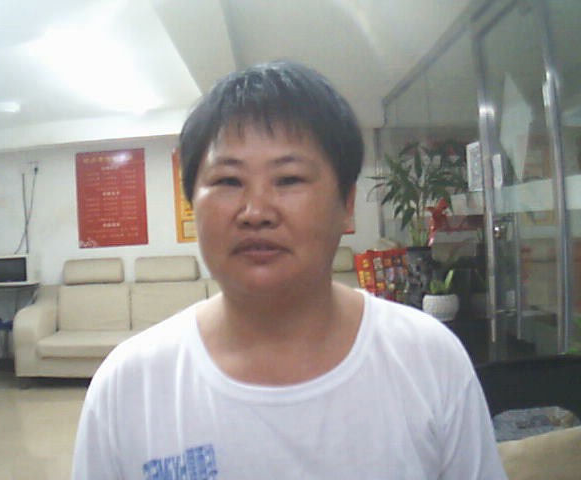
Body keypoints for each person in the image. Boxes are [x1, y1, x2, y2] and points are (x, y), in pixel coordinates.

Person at [72, 60, 507, 479]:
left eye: (289, 179)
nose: (256, 211)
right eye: (228, 181)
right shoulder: (129, 386)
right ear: (192, 203)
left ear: (346, 204)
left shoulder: (428, 358)